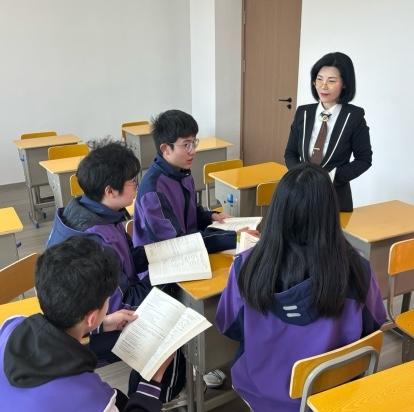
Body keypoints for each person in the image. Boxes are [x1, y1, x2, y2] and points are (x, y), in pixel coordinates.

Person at [215, 162, 386, 412]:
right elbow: (373, 325)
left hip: (264, 394)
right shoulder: (358, 268)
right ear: (330, 213)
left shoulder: (247, 265)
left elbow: (230, 327)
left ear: (277, 211)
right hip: (334, 393)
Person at [45, 138, 183, 403]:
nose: (137, 186)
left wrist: (167, 254)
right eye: (132, 182)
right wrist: (168, 275)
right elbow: (125, 302)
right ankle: (154, 398)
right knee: (173, 321)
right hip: (88, 329)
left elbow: (128, 257)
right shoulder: (96, 239)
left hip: (85, 317)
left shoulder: (92, 209)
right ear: (110, 191)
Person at [132, 109, 259, 389]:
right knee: (207, 295)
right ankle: (191, 363)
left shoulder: (181, 172)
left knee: (226, 282)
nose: (193, 150)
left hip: (190, 254)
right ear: (165, 148)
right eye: (186, 144)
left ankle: (208, 355)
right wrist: (232, 238)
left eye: (194, 142)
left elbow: (191, 213)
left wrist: (212, 216)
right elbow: (179, 242)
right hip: (163, 268)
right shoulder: (153, 190)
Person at [0, 236, 174, 412]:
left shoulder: (11, 325)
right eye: (108, 300)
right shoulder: (95, 400)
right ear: (91, 317)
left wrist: (102, 324)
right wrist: (153, 380)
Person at [284, 51, 372, 212]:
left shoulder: (354, 116)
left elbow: (364, 159)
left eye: (331, 81)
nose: (323, 86)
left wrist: (329, 178)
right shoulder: (303, 112)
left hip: (334, 195)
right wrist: (300, 178)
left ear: (344, 83)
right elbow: (290, 153)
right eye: (319, 79)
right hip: (299, 193)